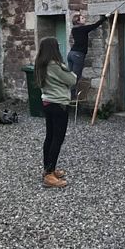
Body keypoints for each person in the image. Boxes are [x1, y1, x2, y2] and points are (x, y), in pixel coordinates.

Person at [34, 37, 77, 188]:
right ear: (53, 49)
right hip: (58, 104)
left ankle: (48, 169)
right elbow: (72, 80)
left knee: (50, 137)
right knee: (57, 139)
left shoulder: (40, 64)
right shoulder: (54, 65)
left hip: (47, 102)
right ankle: (49, 175)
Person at [67, 13, 109, 98]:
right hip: (78, 55)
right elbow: (94, 25)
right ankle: (72, 97)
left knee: (70, 76)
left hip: (71, 54)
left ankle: (67, 94)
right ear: (78, 21)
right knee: (76, 77)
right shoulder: (83, 29)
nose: (84, 19)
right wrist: (105, 18)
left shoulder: (74, 30)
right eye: (82, 18)